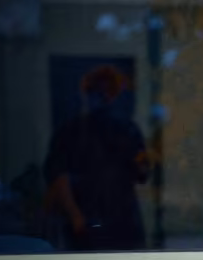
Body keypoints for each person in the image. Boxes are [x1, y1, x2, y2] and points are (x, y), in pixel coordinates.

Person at [44, 65, 150, 250]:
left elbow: (142, 172)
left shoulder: (125, 130)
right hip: (108, 223)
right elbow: (59, 178)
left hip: (106, 223)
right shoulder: (124, 129)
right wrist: (76, 217)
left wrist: (76, 218)